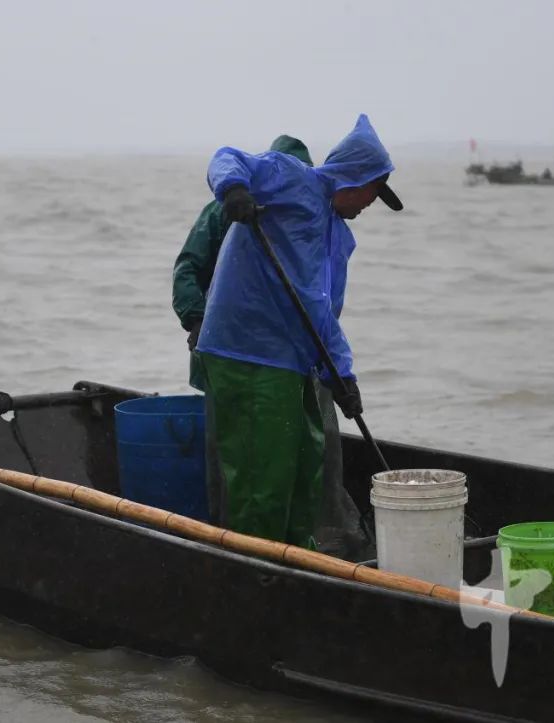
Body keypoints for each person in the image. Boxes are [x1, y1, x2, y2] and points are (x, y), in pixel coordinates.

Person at [196, 114, 402, 548]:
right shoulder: (292, 178)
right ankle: (258, 569)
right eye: (371, 192)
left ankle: (295, 557)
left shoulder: (339, 239)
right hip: (245, 352)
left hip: (292, 362)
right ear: (355, 178)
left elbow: (323, 313)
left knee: (308, 464)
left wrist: (342, 375)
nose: (370, 204)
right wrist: (233, 190)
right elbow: (227, 158)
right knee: (262, 475)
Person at [172, 135, 313, 391]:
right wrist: (197, 319)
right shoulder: (221, 211)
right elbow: (188, 268)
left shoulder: (307, 220)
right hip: (225, 342)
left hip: (284, 353)